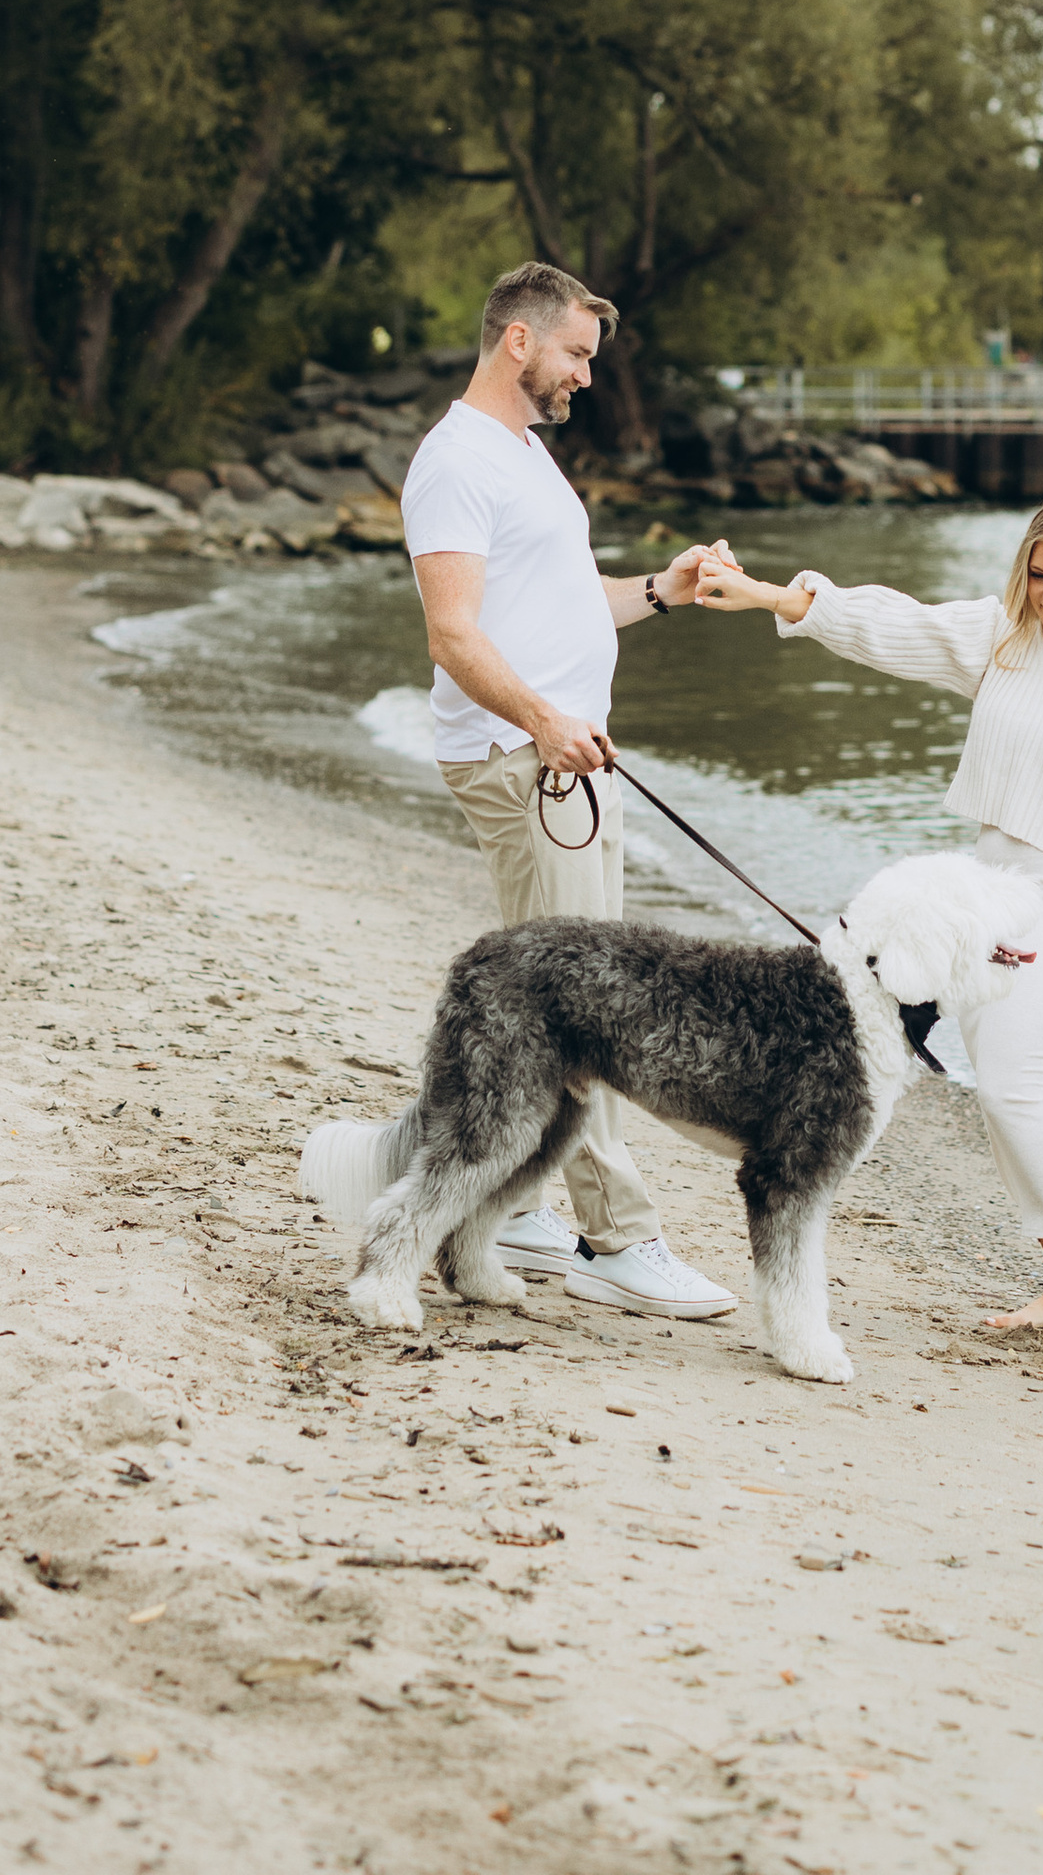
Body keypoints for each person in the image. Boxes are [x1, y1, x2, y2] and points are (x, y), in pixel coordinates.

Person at [693, 489, 1043, 1368]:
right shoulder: (1009, 641)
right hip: (995, 886)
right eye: (1035, 576)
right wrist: (771, 596)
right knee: (1026, 1082)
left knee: (1012, 1080)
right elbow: (896, 626)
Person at [392, 257, 733, 1320]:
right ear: (520, 342)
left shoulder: (525, 457)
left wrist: (662, 593)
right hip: (526, 765)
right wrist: (543, 721)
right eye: (578, 355)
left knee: (565, 1003)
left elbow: (560, 602)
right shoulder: (457, 462)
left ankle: (530, 1214)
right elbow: (452, 634)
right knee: (593, 1009)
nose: (587, 376)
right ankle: (617, 1238)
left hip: (562, 762)